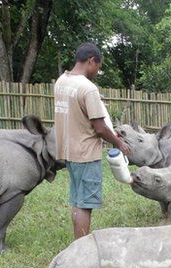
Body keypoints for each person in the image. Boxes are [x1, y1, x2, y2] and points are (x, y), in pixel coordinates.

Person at [53, 42, 131, 239]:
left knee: (78, 201)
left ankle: (76, 244)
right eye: (98, 66)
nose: (98, 71)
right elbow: (99, 126)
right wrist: (118, 142)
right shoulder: (88, 88)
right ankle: (81, 248)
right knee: (86, 204)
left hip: (69, 151)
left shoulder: (62, 81)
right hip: (86, 154)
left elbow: (78, 112)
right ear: (91, 61)